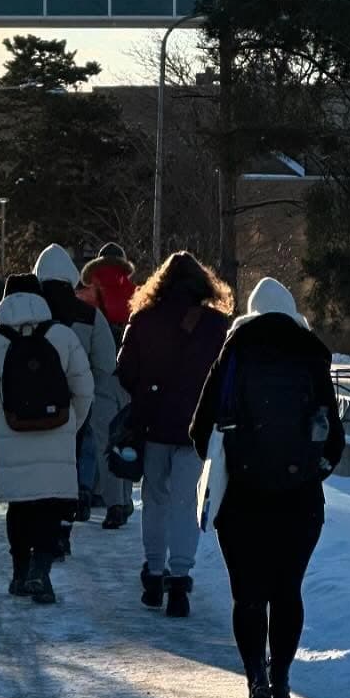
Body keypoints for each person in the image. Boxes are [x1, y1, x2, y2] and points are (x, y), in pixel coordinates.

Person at [190, 278, 346, 698]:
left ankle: (256, 680)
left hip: (242, 498)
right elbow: (334, 439)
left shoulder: (234, 352)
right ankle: (281, 676)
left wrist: (227, 460)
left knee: (248, 595)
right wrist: (308, 471)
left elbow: (199, 430)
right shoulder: (311, 355)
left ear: (251, 312)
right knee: (287, 591)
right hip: (300, 501)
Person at [115, 252, 231, 617]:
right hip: (196, 430)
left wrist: (144, 395)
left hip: (153, 426)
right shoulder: (216, 326)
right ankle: (180, 581)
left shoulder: (144, 319)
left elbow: (125, 370)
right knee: (186, 504)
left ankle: (153, 573)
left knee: (155, 501)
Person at [0, 274, 94, 604]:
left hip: (12, 433)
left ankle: (19, 574)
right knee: (50, 507)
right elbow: (84, 388)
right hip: (57, 431)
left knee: (20, 507)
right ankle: (41, 570)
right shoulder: (62, 335)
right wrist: (70, 424)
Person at [34, 244, 118, 551]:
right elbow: (106, 363)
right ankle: (66, 521)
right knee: (74, 458)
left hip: (32, 404)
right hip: (76, 403)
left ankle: (39, 527)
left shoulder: (28, 313)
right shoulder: (89, 316)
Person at [77, 243, 137, 529]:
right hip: (130, 376)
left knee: (99, 441)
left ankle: (102, 500)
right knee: (124, 440)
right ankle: (123, 499)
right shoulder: (137, 291)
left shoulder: (86, 294)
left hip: (98, 374)